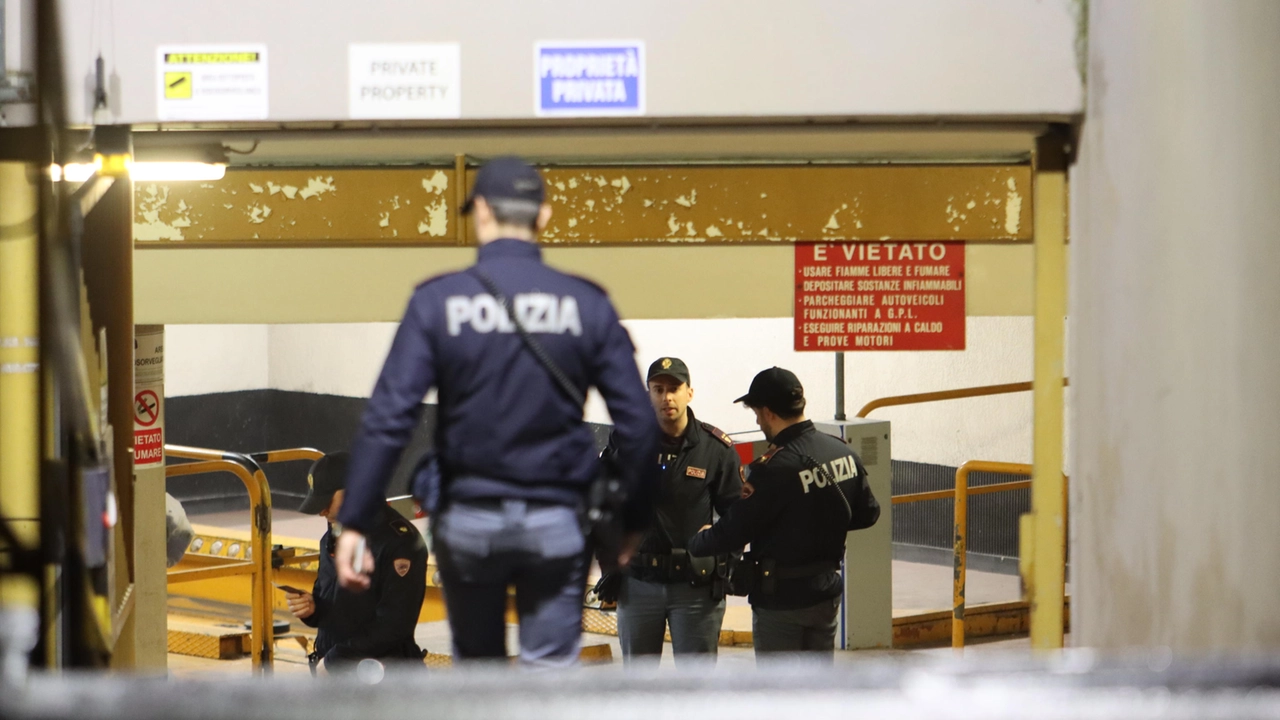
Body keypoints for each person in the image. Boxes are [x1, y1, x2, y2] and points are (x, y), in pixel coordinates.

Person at [333, 156, 659, 668]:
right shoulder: (586, 303)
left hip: (469, 519)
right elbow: (639, 427)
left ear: (480, 212)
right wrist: (631, 525)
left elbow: (388, 417)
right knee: (549, 674)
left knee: (480, 677)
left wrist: (354, 523)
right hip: (557, 520)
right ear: (544, 216)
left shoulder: (438, 302)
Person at [687, 367, 880, 660]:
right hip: (825, 594)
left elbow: (735, 530)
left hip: (782, 601)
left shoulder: (774, 468)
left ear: (767, 412)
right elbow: (868, 514)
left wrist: (698, 541)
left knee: (780, 694)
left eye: (756, 412)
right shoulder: (842, 452)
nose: (757, 420)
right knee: (817, 690)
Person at [604, 357, 741, 664]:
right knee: (640, 685)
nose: (667, 397)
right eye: (658, 389)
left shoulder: (715, 449)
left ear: (689, 393)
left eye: (675, 389)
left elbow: (737, 517)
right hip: (638, 583)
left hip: (695, 587)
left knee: (696, 688)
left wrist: (723, 570)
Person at [284, 452, 428, 674]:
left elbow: (393, 626)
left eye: (327, 501)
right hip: (333, 673)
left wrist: (336, 660)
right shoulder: (332, 538)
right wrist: (313, 609)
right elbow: (337, 603)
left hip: (380, 680)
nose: (322, 511)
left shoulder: (400, 544)